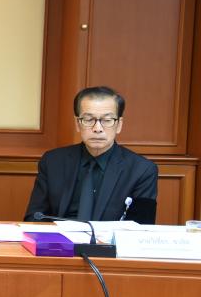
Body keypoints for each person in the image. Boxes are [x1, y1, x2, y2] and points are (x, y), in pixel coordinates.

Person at [24, 86, 157, 222]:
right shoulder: (53, 162)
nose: (97, 129)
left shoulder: (142, 170)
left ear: (119, 125)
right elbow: (34, 218)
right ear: (77, 123)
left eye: (107, 120)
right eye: (88, 120)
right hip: (60, 235)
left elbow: (141, 227)